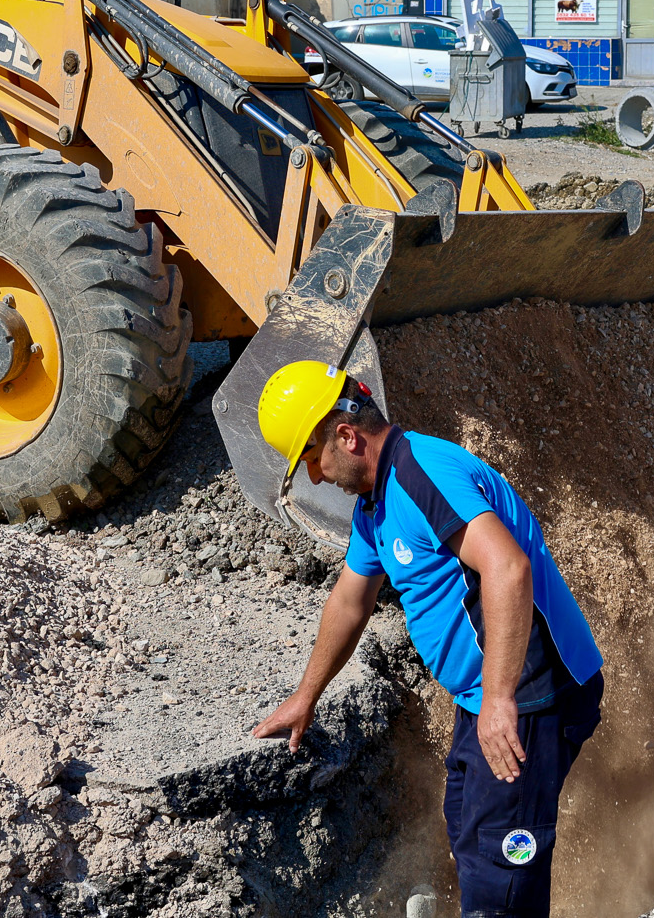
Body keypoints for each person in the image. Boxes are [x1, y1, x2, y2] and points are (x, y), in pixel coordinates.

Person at [251, 362, 604, 917]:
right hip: (487, 696)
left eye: (312, 457)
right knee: (468, 828)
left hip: (532, 695)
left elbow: (508, 569)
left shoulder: (422, 472)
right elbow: (350, 600)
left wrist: (499, 701)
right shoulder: (377, 504)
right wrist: (305, 696)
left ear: (346, 435)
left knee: (500, 876)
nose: (315, 477)